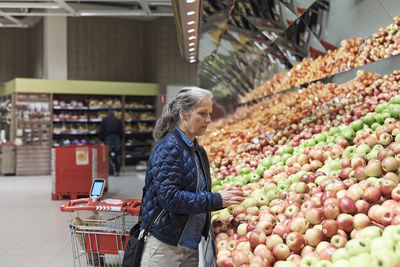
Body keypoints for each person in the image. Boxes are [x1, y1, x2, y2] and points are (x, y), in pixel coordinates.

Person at [139, 87, 245, 267]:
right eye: (202, 113)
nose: (209, 120)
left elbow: (194, 190)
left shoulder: (196, 150)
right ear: (184, 115)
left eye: (210, 113)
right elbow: (170, 198)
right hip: (165, 246)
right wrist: (216, 200)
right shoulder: (170, 148)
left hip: (188, 243)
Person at [99, 109, 123, 176]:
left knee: (108, 155)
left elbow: (102, 130)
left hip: (108, 138)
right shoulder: (118, 120)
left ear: (108, 114)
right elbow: (121, 131)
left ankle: (111, 171)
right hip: (116, 138)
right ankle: (118, 170)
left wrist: (102, 139)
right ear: (114, 114)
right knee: (117, 154)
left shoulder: (105, 120)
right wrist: (120, 140)